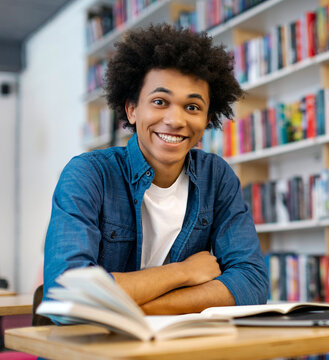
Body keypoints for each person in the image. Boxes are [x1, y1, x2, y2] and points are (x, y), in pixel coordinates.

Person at [43, 24, 268, 316]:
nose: (175, 120)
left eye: (192, 107)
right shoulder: (88, 174)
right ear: (132, 110)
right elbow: (66, 296)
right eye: (160, 102)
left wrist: (136, 307)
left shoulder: (217, 177)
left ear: (207, 118)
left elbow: (251, 283)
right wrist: (183, 273)